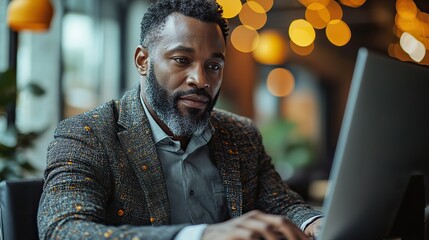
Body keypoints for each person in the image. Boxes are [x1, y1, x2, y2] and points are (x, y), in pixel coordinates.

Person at [37, 0, 323, 239]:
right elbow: (65, 230)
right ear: (142, 61)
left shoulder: (241, 134)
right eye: (182, 60)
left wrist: (314, 223)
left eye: (213, 66)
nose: (200, 80)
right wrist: (200, 235)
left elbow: (281, 202)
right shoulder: (88, 135)